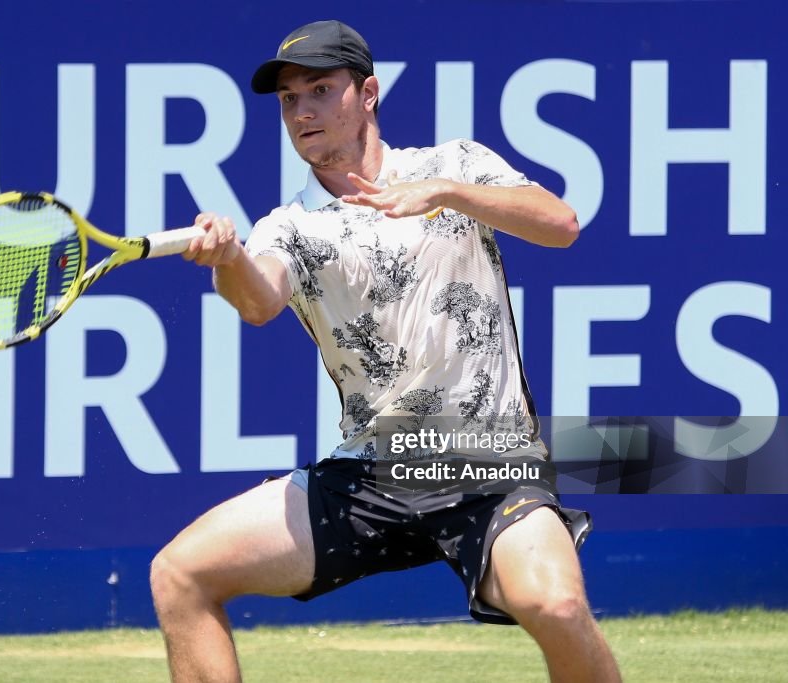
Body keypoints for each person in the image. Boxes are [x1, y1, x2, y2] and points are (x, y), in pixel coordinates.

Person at [150, 19, 622, 683]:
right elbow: (257, 301)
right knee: (180, 573)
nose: (303, 111)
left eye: (320, 89)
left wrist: (446, 193)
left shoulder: (453, 165)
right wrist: (227, 259)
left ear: (368, 93)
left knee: (558, 601)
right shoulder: (289, 226)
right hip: (373, 473)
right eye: (289, 99)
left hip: (489, 461)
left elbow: (561, 225)